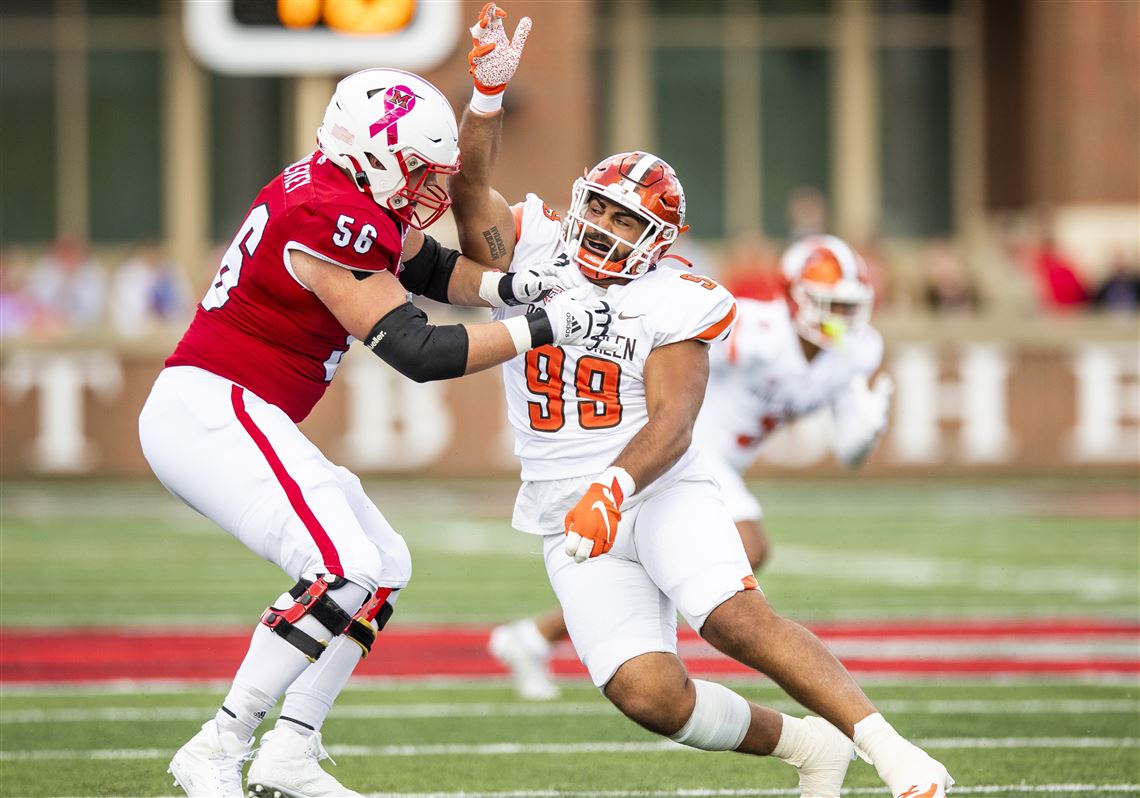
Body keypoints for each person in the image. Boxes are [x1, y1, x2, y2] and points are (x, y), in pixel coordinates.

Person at [450, 6, 953, 798]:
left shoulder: (675, 296)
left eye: (628, 220)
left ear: (660, 239)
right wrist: (484, 98)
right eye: (604, 209)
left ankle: (891, 751)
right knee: (647, 694)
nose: (608, 229)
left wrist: (613, 488)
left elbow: (677, 422)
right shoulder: (536, 244)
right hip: (559, 503)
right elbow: (469, 184)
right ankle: (806, 747)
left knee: (731, 616)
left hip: (649, 487)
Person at [138, 67, 611, 798]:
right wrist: (546, 326)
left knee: (383, 564)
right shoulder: (333, 212)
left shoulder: (343, 190)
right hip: (211, 405)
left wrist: (517, 288)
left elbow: (434, 269)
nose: (428, 188)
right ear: (375, 151)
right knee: (341, 566)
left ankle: (290, 748)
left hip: (232, 408)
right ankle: (218, 743)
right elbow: (416, 350)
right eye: (419, 169)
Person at [488, 235, 893, 695]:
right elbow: (672, 354)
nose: (839, 318)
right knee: (749, 547)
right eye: (829, 304)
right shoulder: (757, 331)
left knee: (699, 560)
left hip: (726, 463)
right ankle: (541, 637)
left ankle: (533, 637)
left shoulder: (856, 351)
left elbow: (848, 452)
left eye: (847, 306)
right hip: (689, 446)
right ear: (792, 295)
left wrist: (865, 433)